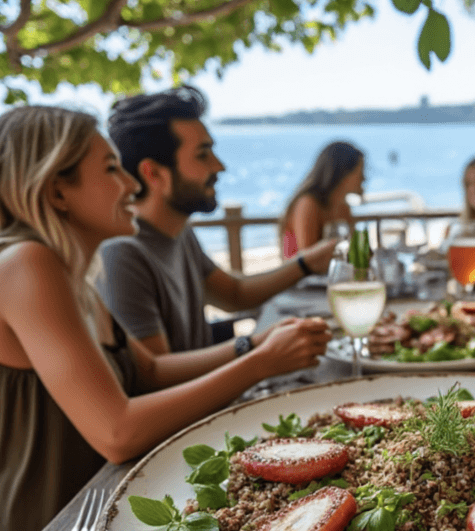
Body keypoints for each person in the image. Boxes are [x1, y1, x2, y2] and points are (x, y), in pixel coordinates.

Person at [0, 106, 331, 531]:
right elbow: (117, 433)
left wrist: (253, 345)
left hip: (106, 506)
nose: (130, 184)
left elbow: (148, 370)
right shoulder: (26, 265)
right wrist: (260, 363)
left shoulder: (71, 273)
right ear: (56, 191)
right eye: (111, 170)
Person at [99, 86, 336, 355]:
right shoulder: (122, 254)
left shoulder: (179, 232)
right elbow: (158, 378)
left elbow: (235, 295)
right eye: (203, 154)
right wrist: (256, 349)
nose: (219, 166)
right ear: (153, 172)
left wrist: (307, 263)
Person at [278, 141, 364, 258]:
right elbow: (309, 260)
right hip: (303, 276)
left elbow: (356, 252)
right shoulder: (308, 203)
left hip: (332, 274)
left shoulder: (342, 207)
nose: (364, 178)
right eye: (360, 172)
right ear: (343, 173)